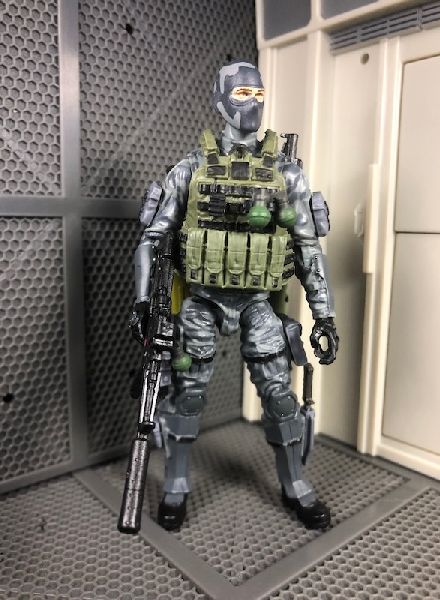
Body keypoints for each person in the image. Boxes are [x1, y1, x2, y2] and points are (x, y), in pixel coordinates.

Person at [131, 60, 339, 531]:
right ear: (220, 100)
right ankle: (176, 485)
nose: (253, 103)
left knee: (280, 397)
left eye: (259, 94)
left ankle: (294, 484)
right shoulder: (189, 169)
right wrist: (143, 304)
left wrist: (324, 314)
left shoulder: (287, 173)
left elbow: (308, 247)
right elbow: (151, 239)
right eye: (243, 94)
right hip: (201, 300)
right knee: (186, 396)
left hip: (258, 302)